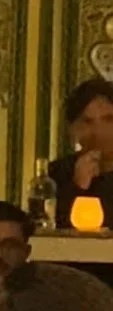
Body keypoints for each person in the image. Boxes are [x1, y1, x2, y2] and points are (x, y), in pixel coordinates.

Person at [51, 77, 113, 230]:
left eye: (109, 120)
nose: (99, 131)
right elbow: (51, 232)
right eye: (87, 122)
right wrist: (78, 187)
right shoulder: (56, 174)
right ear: (73, 129)